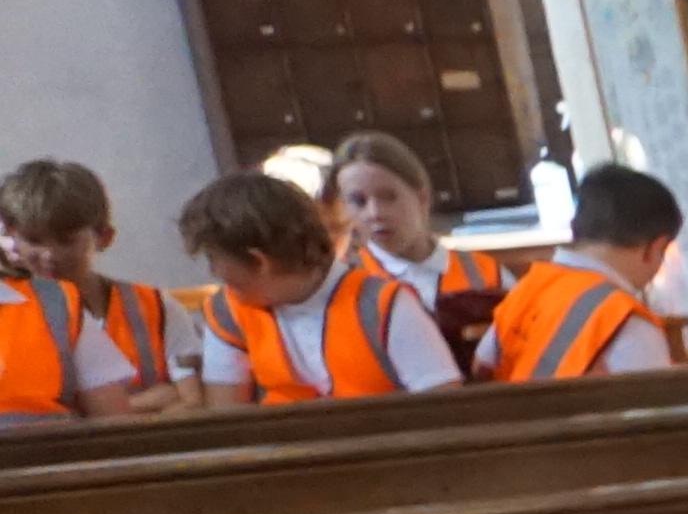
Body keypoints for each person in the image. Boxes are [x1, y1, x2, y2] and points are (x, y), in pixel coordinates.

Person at [176, 173, 458, 404]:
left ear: (259, 261)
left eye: (213, 258)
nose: (213, 272)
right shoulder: (227, 312)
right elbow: (229, 423)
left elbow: (445, 410)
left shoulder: (386, 305)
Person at [0, 160, 178, 422]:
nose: (49, 255)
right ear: (12, 238)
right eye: (34, 240)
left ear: (104, 237)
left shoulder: (155, 306)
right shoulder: (28, 311)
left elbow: (188, 398)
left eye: (66, 241)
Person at [481, 167, 688, 378]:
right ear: (655, 249)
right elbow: (655, 398)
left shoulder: (525, 291)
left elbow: (481, 367)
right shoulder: (626, 322)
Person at [327, 130, 508, 329]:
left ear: (422, 198)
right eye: (358, 201)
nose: (375, 213)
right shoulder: (344, 287)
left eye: (389, 197)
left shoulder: (485, 273)